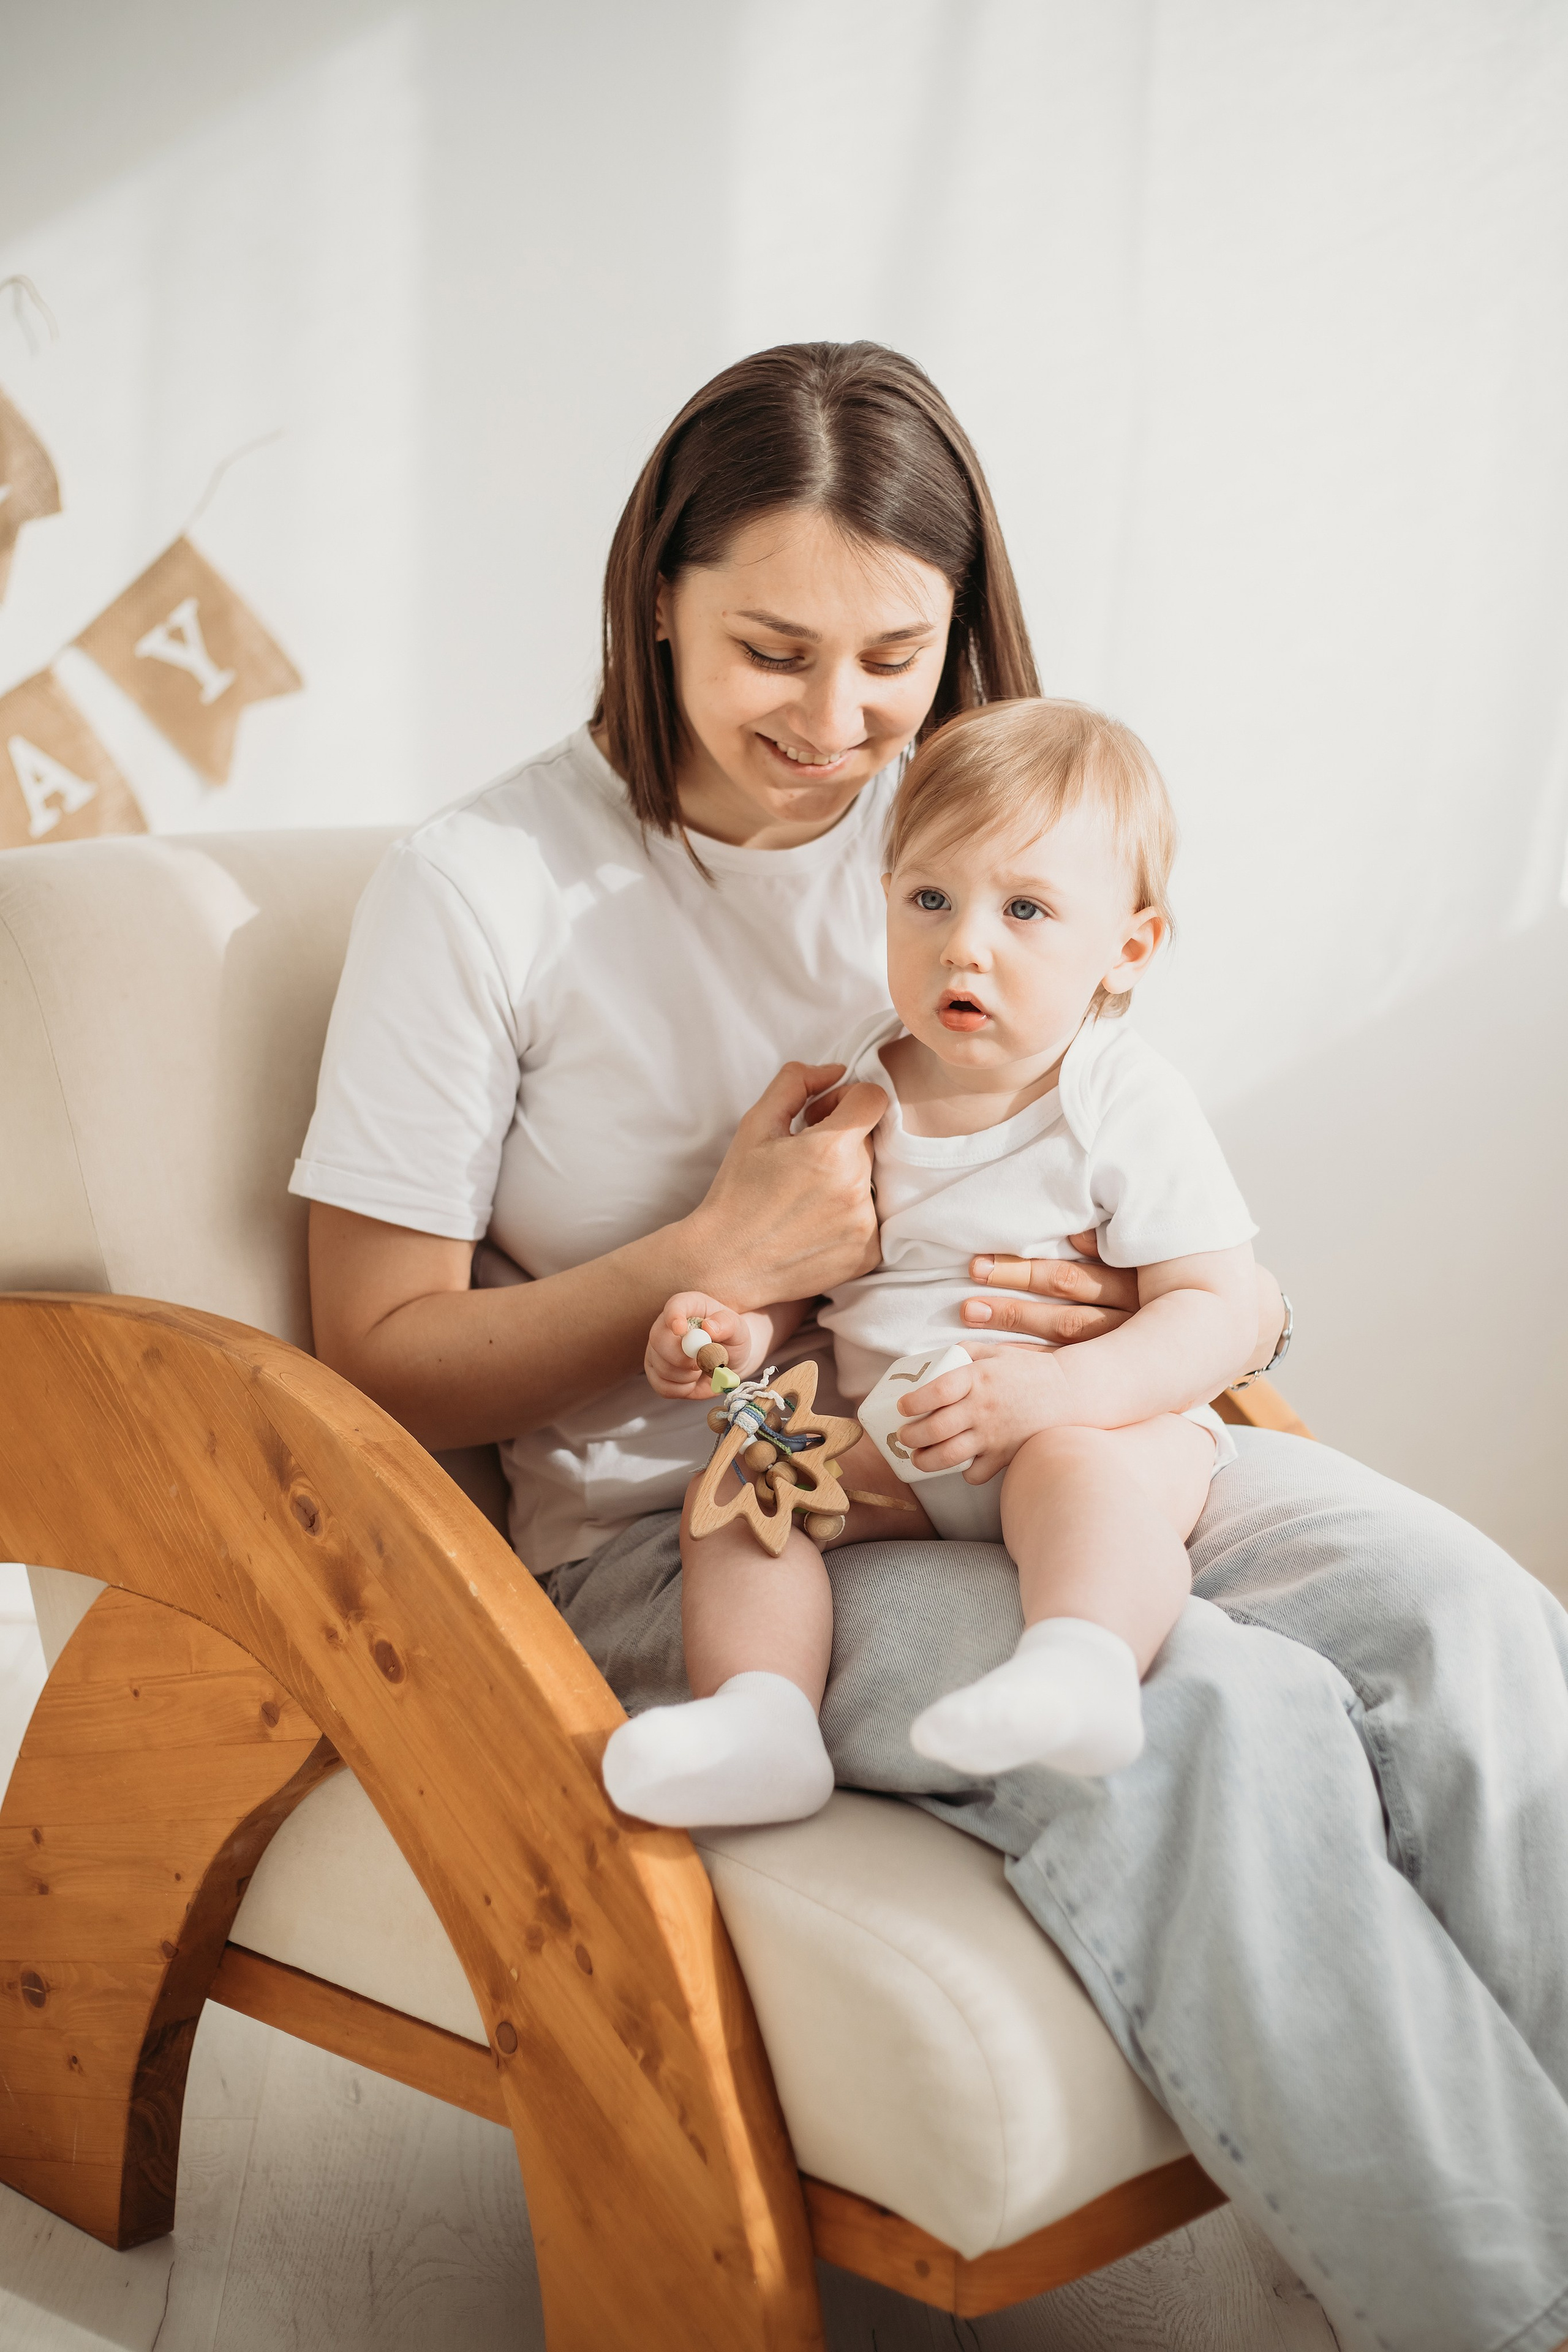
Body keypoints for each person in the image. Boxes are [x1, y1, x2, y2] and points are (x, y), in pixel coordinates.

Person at [295, 341, 1568, 2352]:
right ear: (657, 600)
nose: (836, 721)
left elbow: (1155, 1162)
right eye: (772, 651)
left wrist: (1156, 1327)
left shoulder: (965, 818)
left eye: (892, 653)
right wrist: (708, 1254)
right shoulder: (488, 890)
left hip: (1066, 1442)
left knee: (1475, 1622)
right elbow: (366, 1352)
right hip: (729, 1504)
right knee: (1205, 1724)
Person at [609, 696, 1259, 1828]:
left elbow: (1213, 1305)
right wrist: (730, 1333)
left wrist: (1059, 1391)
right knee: (746, 1484)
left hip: (1098, 1432)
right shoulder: (862, 1081)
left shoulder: (1119, 1095)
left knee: (1070, 1475)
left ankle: (1081, 1664)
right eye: (931, 899)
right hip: (907, 1450)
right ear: (886, 901)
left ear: (1129, 947)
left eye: (1025, 909)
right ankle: (761, 1721)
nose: (967, 942)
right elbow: (808, 1280)